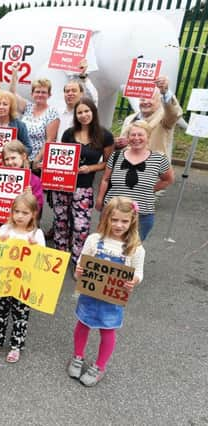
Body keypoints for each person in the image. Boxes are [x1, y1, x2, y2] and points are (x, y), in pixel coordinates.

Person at [69, 196, 144, 386]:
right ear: (106, 218)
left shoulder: (135, 248)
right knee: (83, 324)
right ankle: (78, 356)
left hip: (113, 299)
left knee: (107, 331)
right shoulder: (94, 240)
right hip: (89, 294)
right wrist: (80, 272)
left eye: (124, 221)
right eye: (114, 220)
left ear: (132, 221)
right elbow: (82, 265)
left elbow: (139, 273)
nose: (119, 225)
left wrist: (133, 280)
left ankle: (100, 366)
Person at [0, 192, 45, 363]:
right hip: (3, 282)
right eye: (16, 211)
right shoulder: (5, 229)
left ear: (33, 214)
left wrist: (36, 249)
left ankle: (16, 346)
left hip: (23, 285)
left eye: (25, 213)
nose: (19, 216)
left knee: (20, 316)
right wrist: (0, 242)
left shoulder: (36, 234)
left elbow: (42, 262)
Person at [54, 98, 113, 266]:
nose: (83, 115)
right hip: (63, 185)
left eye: (87, 111)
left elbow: (108, 163)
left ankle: (78, 259)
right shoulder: (69, 133)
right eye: (79, 112)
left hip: (84, 188)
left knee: (81, 227)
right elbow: (60, 157)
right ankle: (60, 256)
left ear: (93, 112)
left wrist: (91, 168)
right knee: (61, 222)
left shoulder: (105, 136)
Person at [95, 121, 174, 241]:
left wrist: (148, 189)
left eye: (140, 135)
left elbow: (168, 180)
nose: (136, 138)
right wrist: (100, 199)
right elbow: (105, 179)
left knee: (131, 249)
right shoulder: (116, 156)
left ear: (148, 137)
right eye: (132, 135)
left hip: (142, 215)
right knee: (106, 246)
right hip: (112, 213)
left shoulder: (159, 159)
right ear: (128, 137)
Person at [0, 140, 44, 236]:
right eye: (7, 159)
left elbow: (38, 207)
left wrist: (30, 197)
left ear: (23, 156)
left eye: (13, 158)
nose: (10, 162)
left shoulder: (34, 181)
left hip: (22, 230)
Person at [117, 75, 182, 160]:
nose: (146, 102)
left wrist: (165, 92)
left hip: (152, 167)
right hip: (128, 165)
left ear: (160, 101)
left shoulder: (164, 118)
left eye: (151, 99)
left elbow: (174, 113)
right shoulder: (129, 119)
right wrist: (118, 144)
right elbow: (123, 145)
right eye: (142, 99)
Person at [10, 65, 59, 164]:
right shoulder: (27, 106)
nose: (40, 95)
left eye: (44, 92)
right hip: (20, 159)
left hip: (37, 161)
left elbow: (50, 140)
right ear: (32, 94)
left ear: (49, 95)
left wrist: (37, 159)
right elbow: (12, 93)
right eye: (37, 92)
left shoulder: (52, 113)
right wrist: (14, 75)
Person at [56, 60, 99, 141]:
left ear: (81, 93)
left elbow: (94, 97)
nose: (70, 93)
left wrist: (83, 76)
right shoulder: (58, 112)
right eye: (67, 91)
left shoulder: (85, 113)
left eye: (74, 91)